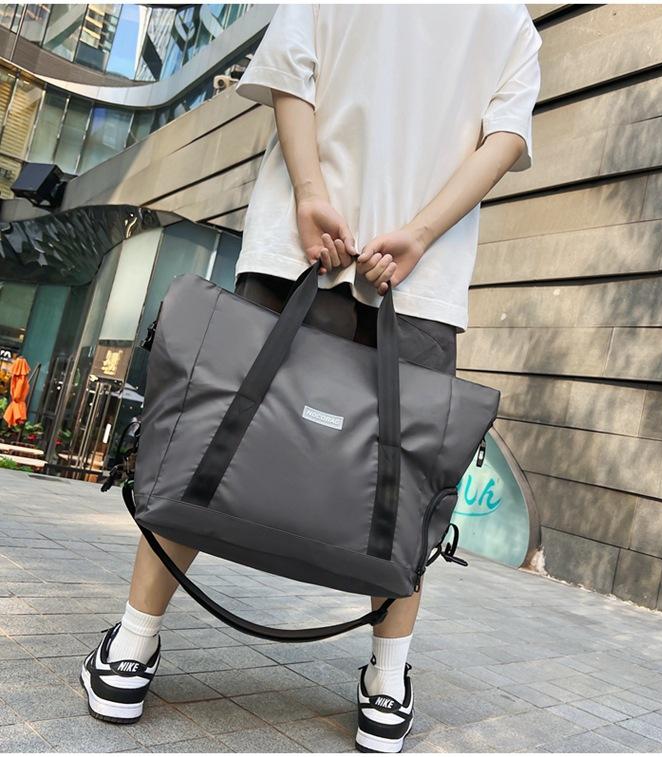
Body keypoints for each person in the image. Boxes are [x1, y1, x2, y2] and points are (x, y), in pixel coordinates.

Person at [80, 4, 542, 753]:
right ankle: (386, 687)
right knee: (407, 477)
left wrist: (308, 193)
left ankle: (131, 649)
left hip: (303, 243)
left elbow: (291, 75)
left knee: (210, 430)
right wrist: (419, 234)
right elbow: (507, 140)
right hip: (419, 277)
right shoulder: (509, 22)